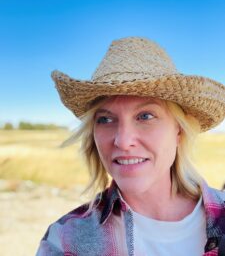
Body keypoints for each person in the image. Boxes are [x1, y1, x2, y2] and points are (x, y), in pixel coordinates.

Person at [36, 37, 225, 256]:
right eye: (105, 119)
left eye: (145, 116)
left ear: (179, 131)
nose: (123, 142)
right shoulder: (65, 242)